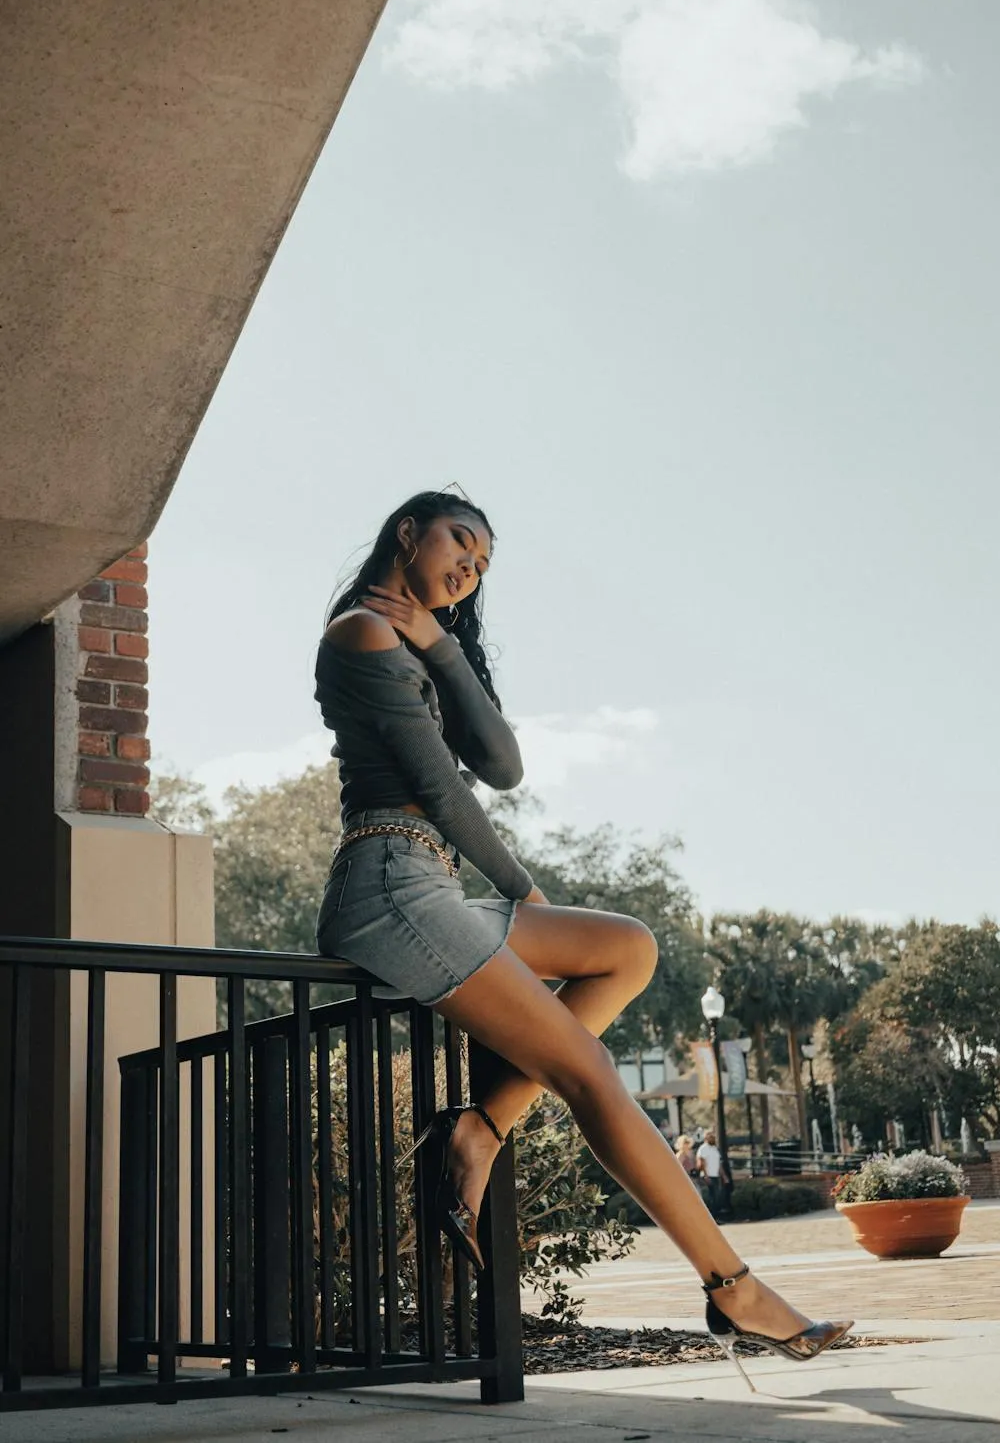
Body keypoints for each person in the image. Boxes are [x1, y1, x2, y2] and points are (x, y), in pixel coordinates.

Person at [313, 489, 851, 1390]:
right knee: (589, 1072)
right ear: (408, 532)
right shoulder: (361, 632)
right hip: (389, 886)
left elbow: (502, 766)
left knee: (627, 948)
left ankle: (481, 1128)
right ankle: (734, 1288)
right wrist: (524, 891)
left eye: (481, 563)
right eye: (458, 543)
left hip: (432, 885)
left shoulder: (414, 641)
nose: (468, 568)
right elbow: (441, 792)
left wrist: (442, 645)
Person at [696, 1130, 730, 1221]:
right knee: (711, 1197)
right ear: (706, 1138)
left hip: (715, 1176)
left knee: (716, 1197)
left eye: (713, 1136)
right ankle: (710, 1218)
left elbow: (719, 1164)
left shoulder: (715, 1149)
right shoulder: (703, 1148)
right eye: (710, 1136)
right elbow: (701, 1163)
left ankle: (715, 1217)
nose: (712, 1138)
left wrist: (724, 1176)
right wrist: (705, 1175)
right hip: (708, 1176)